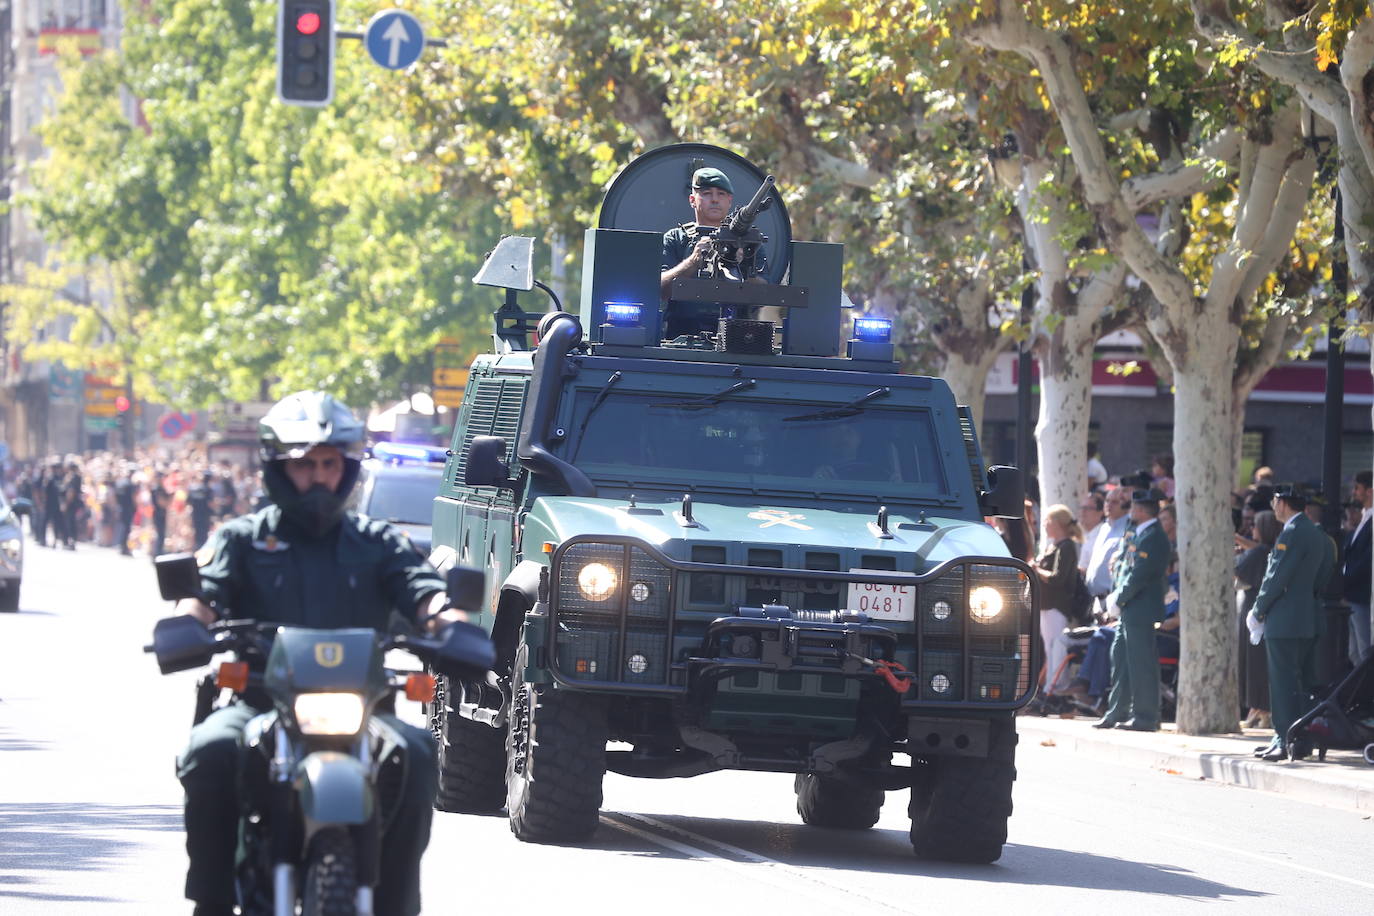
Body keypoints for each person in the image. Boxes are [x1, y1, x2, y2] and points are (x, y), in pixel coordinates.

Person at [175, 392, 469, 916]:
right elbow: (205, 593)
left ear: (347, 468)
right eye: (304, 464)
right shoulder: (243, 539)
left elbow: (425, 591)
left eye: (329, 464)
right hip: (261, 699)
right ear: (279, 469)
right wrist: (187, 622)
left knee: (419, 753)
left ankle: (396, 903)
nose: (318, 476)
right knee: (209, 749)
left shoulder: (377, 541)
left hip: (362, 711)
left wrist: (451, 622)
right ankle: (213, 901)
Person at [1250, 486, 1336, 761]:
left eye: (1275, 501)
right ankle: (1302, 739)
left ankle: (1283, 737)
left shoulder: (1291, 532)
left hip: (1285, 619)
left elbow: (1276, 578)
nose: (1274, 506)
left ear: (1283, 503)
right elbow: (1323, 577)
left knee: (1283, 681)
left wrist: (1259, 610)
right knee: (1305, 682)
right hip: (1309, 617)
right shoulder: (1319, 534)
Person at [1094, 489, 1171, 731]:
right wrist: (1117, 594)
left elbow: (1140, 574)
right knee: (1121, 660)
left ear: (1140, 509)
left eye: (1134, 506)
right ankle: (1117, 710)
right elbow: (1125, 566)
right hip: (1129, 606)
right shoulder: (1136, 531)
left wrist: (1119, 597)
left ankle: (1146, 716)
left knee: (1141, 664)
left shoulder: (1153, 536)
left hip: (1141, 607)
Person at [659, 167, 768, 337]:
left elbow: (765, 294)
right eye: (707, 193)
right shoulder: (676, 238)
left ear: (730, 201)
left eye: (721, 194)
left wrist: (743, 267)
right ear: (692, 200)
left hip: (737, 337)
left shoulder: (749, 243)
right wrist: (693, 261)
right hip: (680, 337)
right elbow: (660, 288)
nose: (715, 200)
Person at [1236, 510, 1280, 729]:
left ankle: (1257, 707)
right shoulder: (1272, 551)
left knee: (1252, 661)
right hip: (1266, 612)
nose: (1252, 529)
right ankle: (1264, 708)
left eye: (1255, 525)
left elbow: (1238, 571)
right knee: (1261, 661)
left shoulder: (1260, 551)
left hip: (1251, 610)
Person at [1031, 505, 1082, 694]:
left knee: (1056, 647)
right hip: (1045, 605)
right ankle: (1051, 686)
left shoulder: (1067, 546)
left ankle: (1056, 687)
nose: (1044, 525)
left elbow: (1058, 578)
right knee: (1048, 648)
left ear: (1057, 523)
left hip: (1056, 605)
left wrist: (1037, 570)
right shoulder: (1053, 546)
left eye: (1047, 521)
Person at [1344, 470, 1372, 662]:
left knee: (1364, 653)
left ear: (1370, 491)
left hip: (1362, 597)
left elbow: (1367, 560)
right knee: (1354, 653)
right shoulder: (1364, 517)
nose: (1354, 493)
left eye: (1357, 488)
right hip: (1352, 596)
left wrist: (1343, 581)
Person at [187, 472, 214, 550]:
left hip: (195, 514)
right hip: (205, 515)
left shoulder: (193, 489)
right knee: (204, 533)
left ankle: (197, 549)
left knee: (197, 532)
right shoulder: (208, 490)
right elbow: (210, 503)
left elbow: (188, 501)